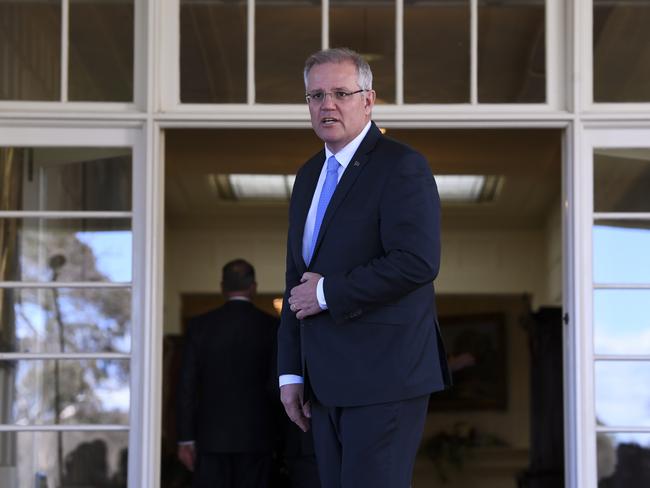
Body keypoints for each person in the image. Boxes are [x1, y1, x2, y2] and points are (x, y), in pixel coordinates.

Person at [277, 48, 452, 488]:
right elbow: (295, 281)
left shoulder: (402, 165)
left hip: (386, 377)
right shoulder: (307, 176)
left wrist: (326, 293)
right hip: (324, 380)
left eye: (340, 92)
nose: (326, 105)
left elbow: (417, 262)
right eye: (315, 96)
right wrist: (291, 372)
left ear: (369, 100)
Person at [177, 259, 279, 488]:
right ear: (254, 287)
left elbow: (187, 386)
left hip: (210, 438)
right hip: (258, 437)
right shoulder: (272, 327)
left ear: (222, 287)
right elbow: (276, 384)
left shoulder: (199, 326)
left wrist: (185, 437)